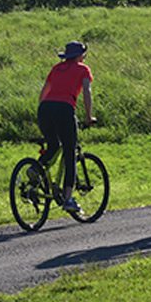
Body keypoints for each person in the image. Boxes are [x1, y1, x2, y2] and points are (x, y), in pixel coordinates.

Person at [37, 40, 94, 212]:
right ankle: (68, 199)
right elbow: (86, 92)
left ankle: (35, 168)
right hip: (64, 109)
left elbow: (44, 92)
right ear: (79, 55)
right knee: (70, 153)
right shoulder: (83, 69)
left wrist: (43, 113)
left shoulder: (56, 68)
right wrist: (89, 116)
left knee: (53, 144)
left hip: (45, 109)